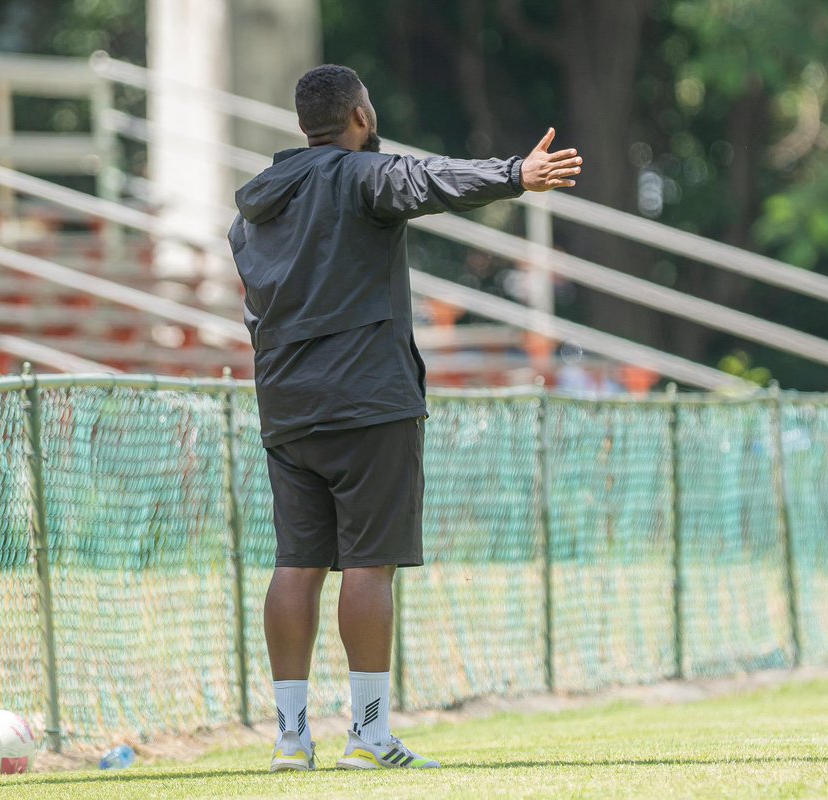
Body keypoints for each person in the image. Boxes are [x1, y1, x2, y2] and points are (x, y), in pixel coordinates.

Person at [227, 64, 582, 772]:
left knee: (296, 563)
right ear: (359, 116)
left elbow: (257, 308)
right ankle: (368, 735)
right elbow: (428, 181)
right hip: (367, 399)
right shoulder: (362, 175)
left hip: (287, 405)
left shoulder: (253, 210)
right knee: (368, 563)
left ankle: (291, 740)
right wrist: (519, 173)